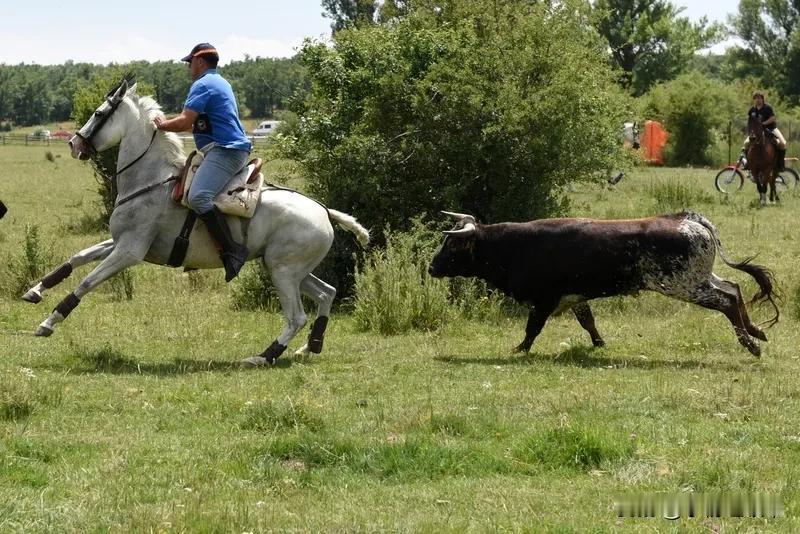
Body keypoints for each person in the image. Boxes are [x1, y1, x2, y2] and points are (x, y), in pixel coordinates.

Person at [154, 43, 252, 282]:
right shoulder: (220, 82)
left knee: (198, 197)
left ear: (199, 61)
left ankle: (233, 252)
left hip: (224, 151)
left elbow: (184, 122)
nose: (189, 68)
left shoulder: (203, 84)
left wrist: (160, 124)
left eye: (190, 63)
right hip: (224, 150)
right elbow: (191, 124)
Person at [742, 91, 787, 171]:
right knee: (746, 143)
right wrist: (750, 130)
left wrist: (763, 124)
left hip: (771, 129)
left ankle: (780, 164)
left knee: (783, 143)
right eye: (755, 98)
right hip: (756, 131)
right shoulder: (752, 110)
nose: (757, 100)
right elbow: (750, 122)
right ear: (754, 100)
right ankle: (748, 163)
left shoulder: (767, 108)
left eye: (759, 98)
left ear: (762, 99)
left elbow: (772, 118)